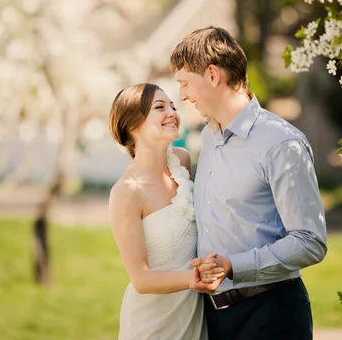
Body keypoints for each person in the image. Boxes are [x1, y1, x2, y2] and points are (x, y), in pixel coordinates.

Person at [169, 26, 328, 340]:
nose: (182, 96)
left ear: (213, 75)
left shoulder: (280, 143)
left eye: (185, 83)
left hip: (271, 315)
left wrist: (234, 266)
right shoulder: (208, 135)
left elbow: (311, 241)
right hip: (213, 318)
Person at [108, 83, 224, 340]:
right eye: (159, 107)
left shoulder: (182, 161)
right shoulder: (126, 192)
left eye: (172, 105)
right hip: (152, 323)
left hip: (193, 315)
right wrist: (193, 278)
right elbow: (140, 279)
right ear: (132, 124)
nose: (171, 112)